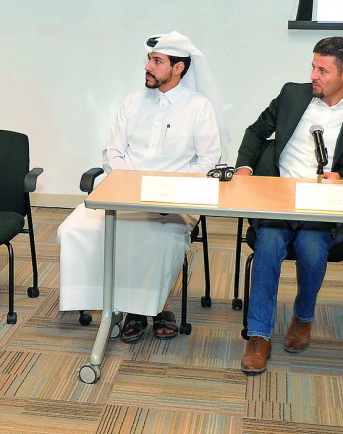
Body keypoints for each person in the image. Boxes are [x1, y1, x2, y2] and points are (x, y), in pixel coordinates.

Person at [57, 31, 226, 342]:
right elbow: (112, 152)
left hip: (173, 201)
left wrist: (169, 190)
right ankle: (120, 304)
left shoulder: (198, 107)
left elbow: (208, 160)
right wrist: (131, 185)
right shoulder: (132, 102)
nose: (148, 66)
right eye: (149, 59)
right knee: (73, 229)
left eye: (157, 61)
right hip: (124, 193)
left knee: (160, 240)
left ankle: (155, 307)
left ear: (178, 68)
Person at [234, 36, 343, 374]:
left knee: (312, 247)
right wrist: (244, 168)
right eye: (313, 67)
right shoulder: (292, 94)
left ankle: (303, 318)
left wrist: (342, 176)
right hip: (278, 199)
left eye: (323, 70)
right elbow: (256, 132)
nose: (314, 75)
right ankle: (258, 335)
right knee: (269, 245)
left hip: (323, 205)